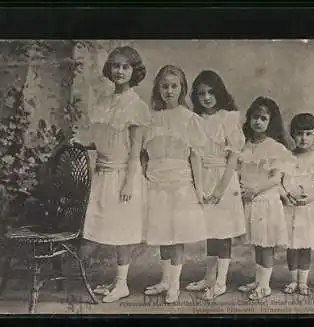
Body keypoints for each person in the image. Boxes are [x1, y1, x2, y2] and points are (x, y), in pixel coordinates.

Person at [72, 46, 151, 303]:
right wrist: (86, 144)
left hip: (123, 174)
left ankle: (122, 284)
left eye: (125, 67)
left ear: (134, 71)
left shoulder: (135, 106)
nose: (119, 71)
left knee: (122, 231)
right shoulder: (104, 102)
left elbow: (134, 149)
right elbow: (107, 138)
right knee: (103, 227)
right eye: (115, 66)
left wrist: (129, 182)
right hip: (103, 173)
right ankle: (115, 281)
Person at [142, 65, 208, 304]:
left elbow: (196, 157)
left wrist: (199, 189)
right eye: (164, 86)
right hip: (156, 180)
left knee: (177, 234)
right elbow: (144, 154)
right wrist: (142, 176)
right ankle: (164, 280)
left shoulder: (190, 119)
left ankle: (174, 285)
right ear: (158, 88)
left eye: (174, 86)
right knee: (162, 233)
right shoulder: (150, 118)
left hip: (180, 182)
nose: (169, 91)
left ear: (182, 89)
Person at [184, 70, 246, 300]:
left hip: (224, 179)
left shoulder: (228, 118)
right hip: (205, 177)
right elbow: (195, 156)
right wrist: (199, 188)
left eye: (211, 92)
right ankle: (209, 277)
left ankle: (220, 282)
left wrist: (220, 189)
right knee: (210, 229)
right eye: (201, 94)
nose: (207, 97)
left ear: (219, 93)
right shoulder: (196, 121)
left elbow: (233, 157)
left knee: (224, 232)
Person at [236, 96, 292, 301]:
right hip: (250, 201)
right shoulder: (245, 145)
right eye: (254, 117)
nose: (258, 122)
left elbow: (276, 178)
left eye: (263, 118)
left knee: (266, 244)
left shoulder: (274, 148)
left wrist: (255, 189)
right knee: (257, 243)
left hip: (266, 200)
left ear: (270, 122)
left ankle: (265, 285)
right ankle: (258, 280)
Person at [281, 113, 314, 296]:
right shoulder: (286, 158)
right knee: (291, 246)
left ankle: (302, 282)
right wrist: (287, 195)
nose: (303, 138)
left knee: (304, 246)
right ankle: (292, 280)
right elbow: (279, 181)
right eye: (299, 133)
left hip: (308, 208)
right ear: (292, 135)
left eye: (308, 133)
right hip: (290, 207)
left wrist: (310, 197)